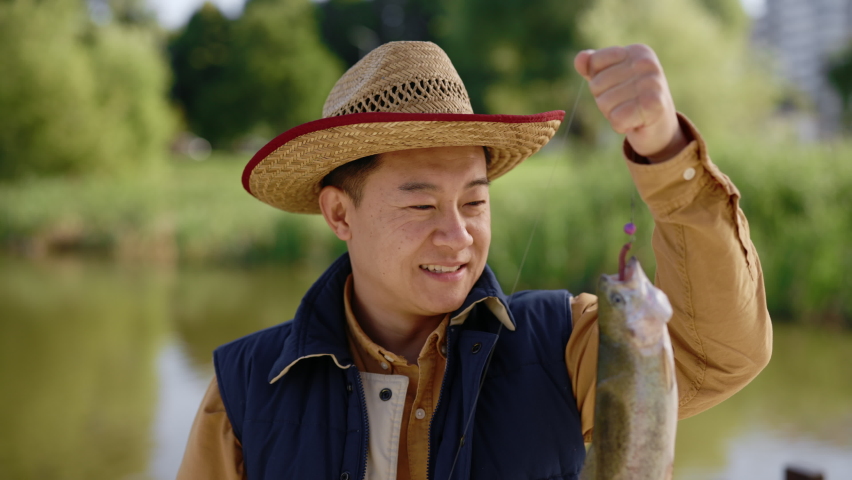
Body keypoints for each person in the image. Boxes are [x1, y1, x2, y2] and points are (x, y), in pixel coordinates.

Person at [177, 41, 771, 480]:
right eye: (421, 204)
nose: (457, 234)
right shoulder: (244, 392)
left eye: (475, 201)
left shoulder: (568, 344)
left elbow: (722, 353)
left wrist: (665, 153)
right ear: (339, 215)